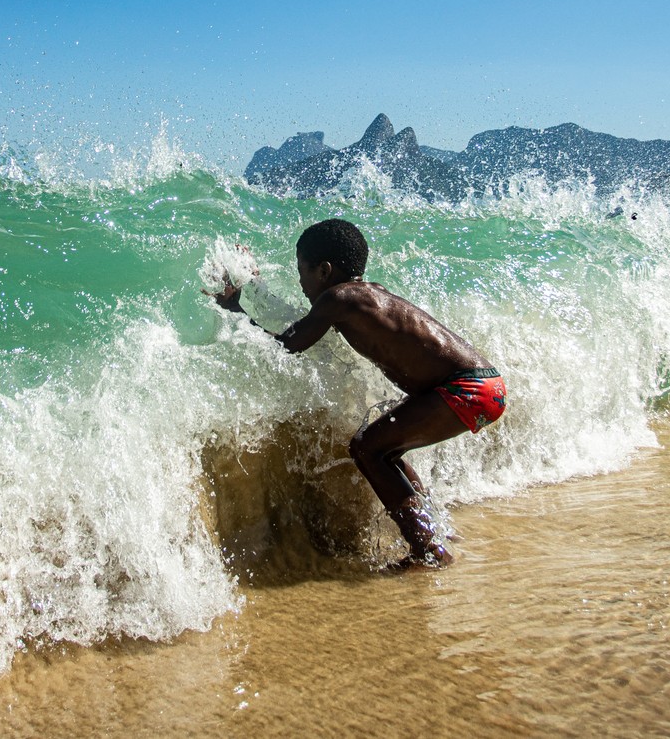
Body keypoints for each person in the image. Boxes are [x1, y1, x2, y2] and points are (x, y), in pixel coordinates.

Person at [206, 219, 505, 570]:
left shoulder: (339, 298)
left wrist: (237, 311)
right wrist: (255, 286)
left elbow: (290, 345)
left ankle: (429, 551)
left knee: (367, 448)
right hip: (486, 386)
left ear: (324, 270)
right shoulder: (362, 297)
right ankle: (435, 531)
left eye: (302, 271)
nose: (301, 283)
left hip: (466, 389)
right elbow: (297, 323)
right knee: (384, 449)